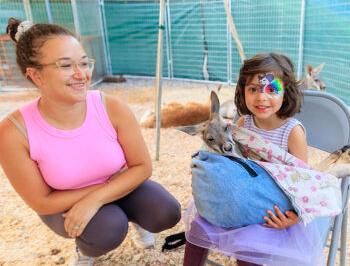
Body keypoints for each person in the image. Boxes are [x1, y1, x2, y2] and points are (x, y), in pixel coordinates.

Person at [0, 18, 181, 266]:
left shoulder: (111, 106)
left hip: (117, 187)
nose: (81, 74)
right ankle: (85, 251)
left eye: (84, 63)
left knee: (166, 211)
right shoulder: (14, 131)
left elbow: (142, 167)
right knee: (107, 228)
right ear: (35, 75)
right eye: (66, 65)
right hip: (62, 201)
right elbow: (40, 201)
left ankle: (135, 218)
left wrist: (96, 198)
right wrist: (105, 190)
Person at [183, 53, 328, 266]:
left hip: (272, 211)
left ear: (285, 92)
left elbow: (303, 181)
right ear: (242, 91)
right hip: (241, 198)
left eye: (271, 89)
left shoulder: (292, 132)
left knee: (248, 246)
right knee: (198, 227)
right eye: (253, 89)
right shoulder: (243, 123)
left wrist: (294, 217)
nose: (261, 97)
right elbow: (230, 163)